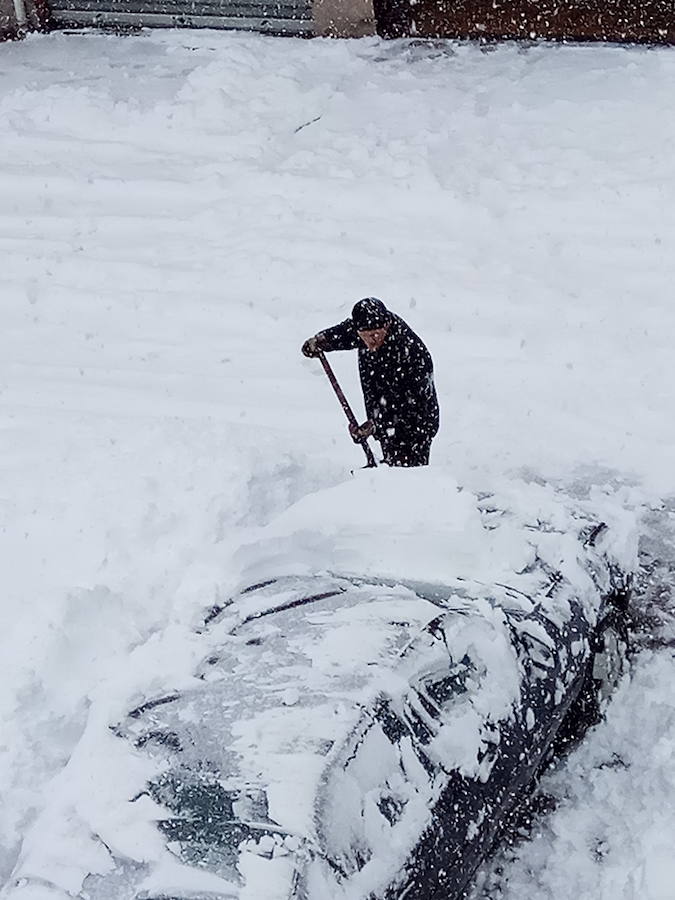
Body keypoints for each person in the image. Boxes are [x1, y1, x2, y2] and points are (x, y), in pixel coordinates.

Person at [302, 298, 439, 467]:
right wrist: (321, 341)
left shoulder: (411, 353)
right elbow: (345, 333)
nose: (371, 341)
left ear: (386, 326)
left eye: (375, 335)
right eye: (365, 337)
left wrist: (376, 425)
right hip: (385, 423)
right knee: (389, 471)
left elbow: (410, 405)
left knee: (407, 476)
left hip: (415, 428)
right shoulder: (366, 328)